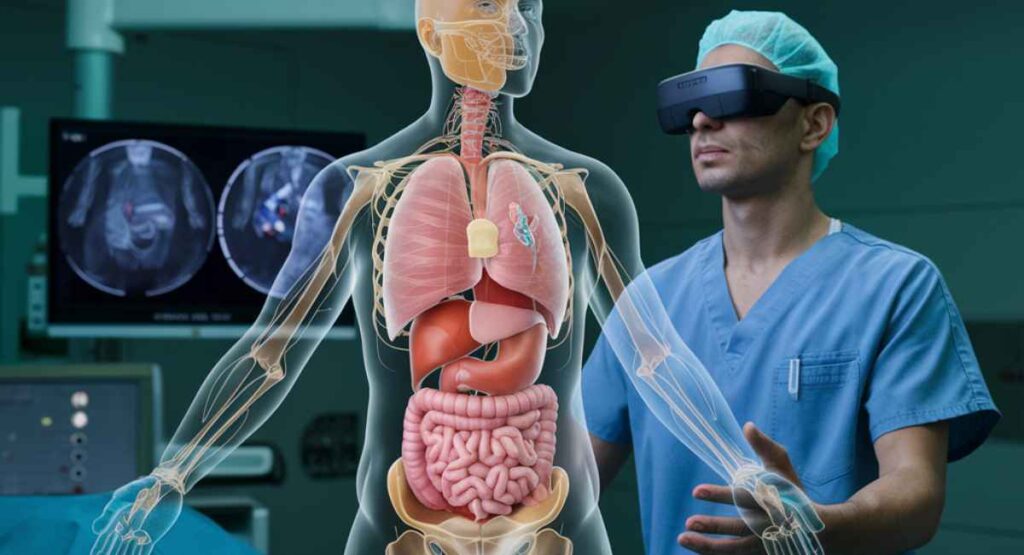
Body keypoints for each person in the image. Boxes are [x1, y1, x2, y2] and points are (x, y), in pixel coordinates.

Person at [91, 2, 823, 554]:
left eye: (529, 9)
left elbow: (653, 356)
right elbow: (268, 352)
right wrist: (172, 475)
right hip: (398, 523)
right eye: (489, 5)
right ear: (428, 24)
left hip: (557, 524)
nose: (516, 27)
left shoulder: (586, 190)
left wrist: (741, 465)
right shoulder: (354, 188)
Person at [584, 10, 1000, 555]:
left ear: (814, 124)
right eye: (688, 105)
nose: (703, 121)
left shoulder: (896, 287)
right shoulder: (649, 302)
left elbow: (916, 495)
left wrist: (817, 526)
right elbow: (564, 480)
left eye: (733, 97)